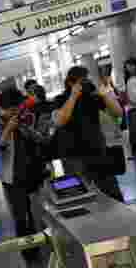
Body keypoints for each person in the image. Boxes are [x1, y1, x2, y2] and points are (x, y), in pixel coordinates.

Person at [0, 88, 48, 268]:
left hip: (32, 173)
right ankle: (29, 259)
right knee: (21, 219)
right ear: (3, 109)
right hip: (12, 179)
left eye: (18, 108)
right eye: (12, 109)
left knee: (38, 214)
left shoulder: (23, 119)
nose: (16, 112)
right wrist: (8, 129)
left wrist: (27, 128)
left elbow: (40, 139)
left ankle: (43, 249)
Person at [51, 66, 125, 200]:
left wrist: (104, 95)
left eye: (87, 80)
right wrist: (73, 96)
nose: (85, 84)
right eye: (81, 81)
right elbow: (60, 121)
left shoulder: (92, 96)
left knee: (113, 191)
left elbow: (118, 112)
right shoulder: (60, 99)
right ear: (70, 83)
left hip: (97, 150)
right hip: (73, 154)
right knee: (82, 195)